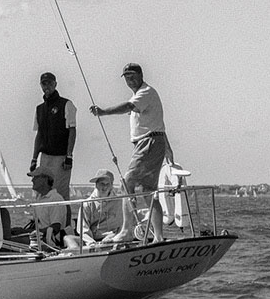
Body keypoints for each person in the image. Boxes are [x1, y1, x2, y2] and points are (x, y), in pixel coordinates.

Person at [89, 63, 169, 242]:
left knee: (127, 184)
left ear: (141, 75)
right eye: (126, 77)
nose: (130, 80)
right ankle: (159, 237)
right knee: (148, 191)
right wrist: (167, 149)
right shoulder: (142, 95)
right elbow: (158, 124)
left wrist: (103, 112)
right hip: (152, 143)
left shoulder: (145, 93)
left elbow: (128, 106)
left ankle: (126, 231)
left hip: (148, 143)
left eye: (133, 76)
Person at [30, 72, 77, 199]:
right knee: (43, 192)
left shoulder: (66, 104)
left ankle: (65, 213)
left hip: (61, 158)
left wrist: (69, 156)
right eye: (44, 84)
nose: (47, 86)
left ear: (55, 84)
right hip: (45, 157)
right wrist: (34, 159)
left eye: (50, 83)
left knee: (60, 193)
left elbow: (72, 130)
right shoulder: (39, 109)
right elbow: (39, 135)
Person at [12, 168, 72, 250]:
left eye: (35, 177)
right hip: (38, 238)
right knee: (9, 236)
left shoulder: (55, 199)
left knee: (10, 241)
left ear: (45, 180)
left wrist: (26, 232)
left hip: (49, 241)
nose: (32, 180)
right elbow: (38, 224)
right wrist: (22, 230)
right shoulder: (39, 199)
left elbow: (55, 227)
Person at [77, 169, 127, 246]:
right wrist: (92, 244)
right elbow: (83, 229)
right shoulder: (86, 204)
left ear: (111, 185)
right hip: (93, 241)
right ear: (96, 185)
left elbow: (124, 224)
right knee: (68, 238)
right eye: (102, 184)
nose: (105, 187)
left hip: (114, 238)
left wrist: (114, 237)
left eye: (107, 184)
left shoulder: (120, 202)